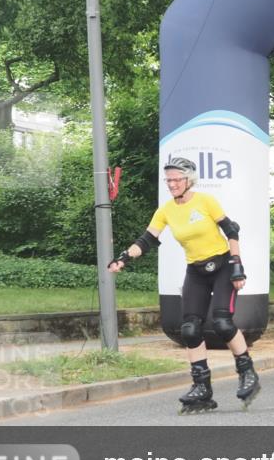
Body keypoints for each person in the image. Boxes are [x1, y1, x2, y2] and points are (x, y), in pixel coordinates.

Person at [108, 157, 258, 414]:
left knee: (222, 323)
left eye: (177, 179)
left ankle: (247, 372)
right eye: (169, 180)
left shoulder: (205, 201)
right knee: (189, 329)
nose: (172, 184)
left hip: (222, 266)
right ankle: (202, 387)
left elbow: (231, 230)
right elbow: (146, 240)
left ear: (189, 179)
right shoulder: (166, 210)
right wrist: (124, 257)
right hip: (196, 271)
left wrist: (236, 265)